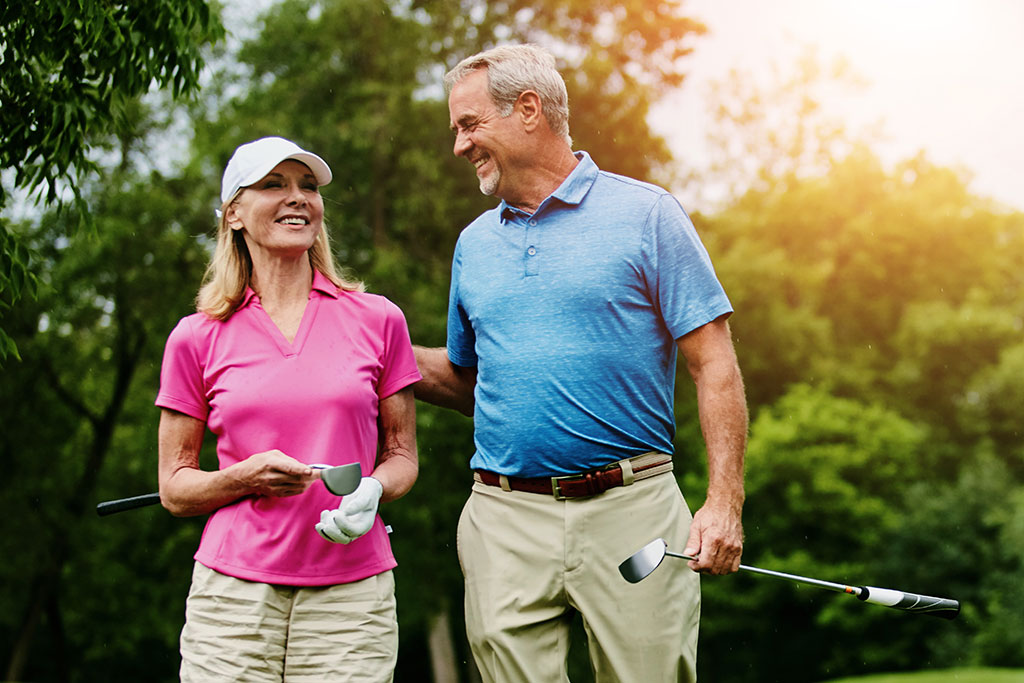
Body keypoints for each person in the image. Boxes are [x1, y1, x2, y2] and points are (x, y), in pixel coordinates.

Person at [413, 45, 747, 682]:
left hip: (633, 507)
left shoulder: (648, 215)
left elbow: (714, 365)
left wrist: (724, 503)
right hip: (503, 516)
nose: (459, 145)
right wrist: (374, 351)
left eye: (468, 124)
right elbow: (472, 383)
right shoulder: (473, 245)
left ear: (529, 109)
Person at [156, 136, 421, 682]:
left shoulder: (379, 319)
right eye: (274, 185)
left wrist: (373, 487)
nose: (297, 197)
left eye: (308, 186)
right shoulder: (196, 338)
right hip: (232, 597)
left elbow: (401, 455)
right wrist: (243, 478)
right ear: (234, 213)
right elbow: (175, 488)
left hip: (352, 602)